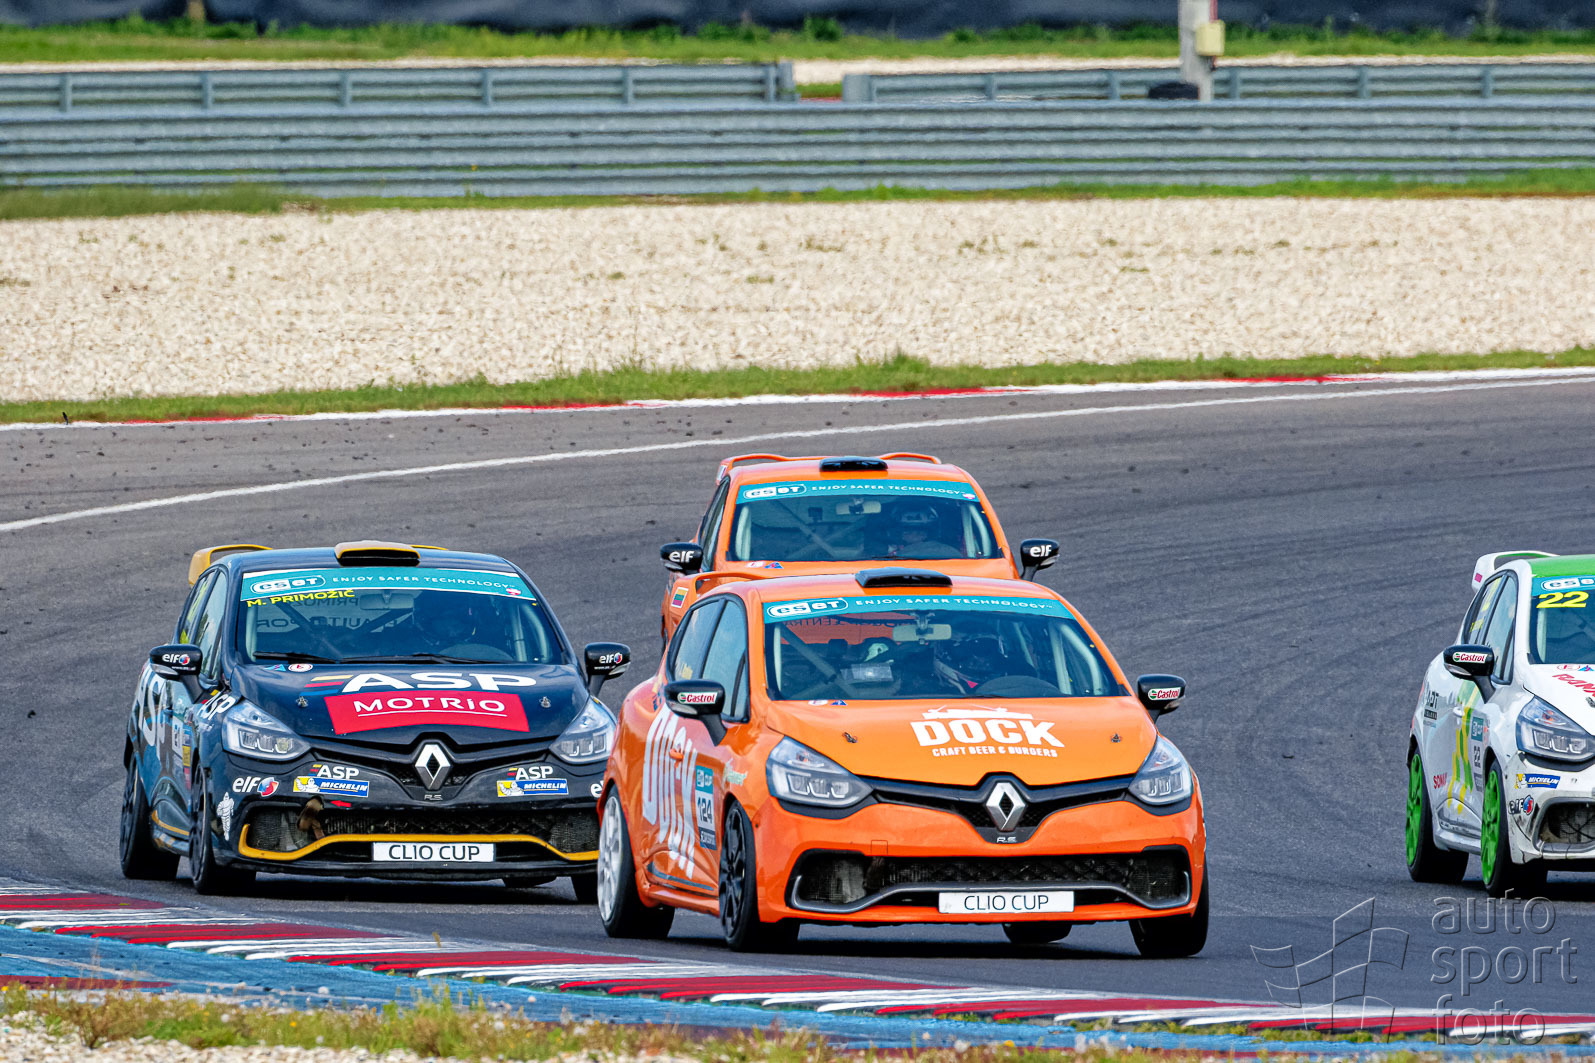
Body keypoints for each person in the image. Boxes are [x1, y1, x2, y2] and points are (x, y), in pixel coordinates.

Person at [883, 502, 960, 560]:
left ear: (926, 534)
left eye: (920, 531)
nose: (914, 534)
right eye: (907, 531)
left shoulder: (948, 553)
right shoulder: (889, 556)